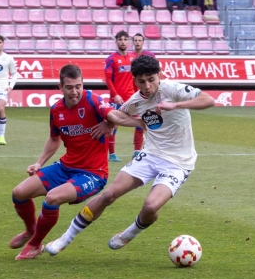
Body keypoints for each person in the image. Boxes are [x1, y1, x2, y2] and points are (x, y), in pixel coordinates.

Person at [45, 56, 215, 257]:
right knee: (108, 195)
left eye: (151, 79)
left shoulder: (172, 89)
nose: (148, 86)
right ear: (134, 80)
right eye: (141, 81)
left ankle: (130, 232)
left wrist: (175, 105)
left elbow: (208, 100)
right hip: (150, 154)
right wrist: (109, 124)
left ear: (159, 75)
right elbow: (120, 115)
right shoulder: (135, 101)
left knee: (150, 206)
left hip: (178, 162)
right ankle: (65, 238)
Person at [9, 64, 141, 259]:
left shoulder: (93, 100)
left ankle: (35, 244)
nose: (75, 92)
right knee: (19, 193)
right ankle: (31, 229)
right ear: (60, 87)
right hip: (65, 167)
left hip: (93, 174)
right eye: (69, 87)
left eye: (78, 86)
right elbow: (55, 139)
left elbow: (114, 113)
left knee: (52, 198)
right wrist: (39, 163)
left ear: (83, 84)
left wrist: (115, 122)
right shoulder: (57, 110)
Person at [104, 30, 142, 162]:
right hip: (117, 98)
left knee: (139, 122)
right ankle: (112, 154)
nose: (123, 42)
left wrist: (139, 93)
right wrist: (115, 95)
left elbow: (135, 78)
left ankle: (137, 152)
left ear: (128, 42)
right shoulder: (111, 59)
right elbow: (108, 79)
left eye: (125, 39)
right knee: (113, 126)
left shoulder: (133, 58)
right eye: (120, 39)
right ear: (116, 42)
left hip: (131, 97)